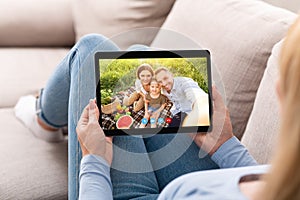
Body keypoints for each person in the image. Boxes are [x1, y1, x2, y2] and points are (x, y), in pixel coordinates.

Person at [77, 15, 300, 199]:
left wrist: (94, 160)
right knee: (139, 50)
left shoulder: (188, 190)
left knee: (91, 47)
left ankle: (44, 120)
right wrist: (226, 147)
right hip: (229, 170)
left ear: (281, 93)